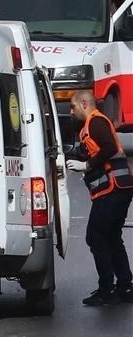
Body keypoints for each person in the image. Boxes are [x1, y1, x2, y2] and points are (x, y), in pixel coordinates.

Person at [65, 90, 133, 306]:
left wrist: (86, 166)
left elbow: (109, 148)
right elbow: (94, 151)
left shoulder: (95, 122)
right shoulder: (90, 126)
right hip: (118, 188)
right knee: (112, 237)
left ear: (85, 104)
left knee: (95, 237)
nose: (71, 111)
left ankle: (107, 289)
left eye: (73, 107)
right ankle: (125, 286)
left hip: (112, 189)